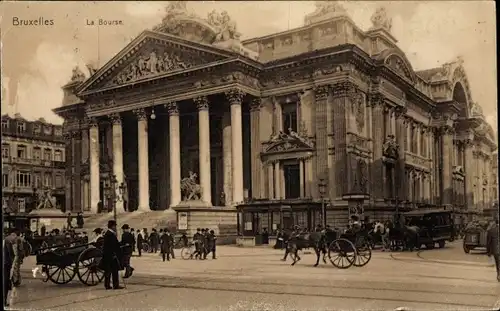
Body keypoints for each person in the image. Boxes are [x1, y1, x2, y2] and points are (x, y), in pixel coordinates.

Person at [100, 220, 124, 290]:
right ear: (112, 226)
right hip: (111, 255)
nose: (115, 227)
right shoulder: (110, 234)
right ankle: (114, 285)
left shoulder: (108, 233)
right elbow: (113, 245)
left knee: (109, 270)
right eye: (115, 226)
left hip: (108, 255)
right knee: (113, 270)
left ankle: (108, 285)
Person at [4, 229, 17, 307]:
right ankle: (4, 301)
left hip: (6, 263)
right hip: (6, 264)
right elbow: (11, 253)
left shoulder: (6, 239)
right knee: (5, 282)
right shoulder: (8, 240)